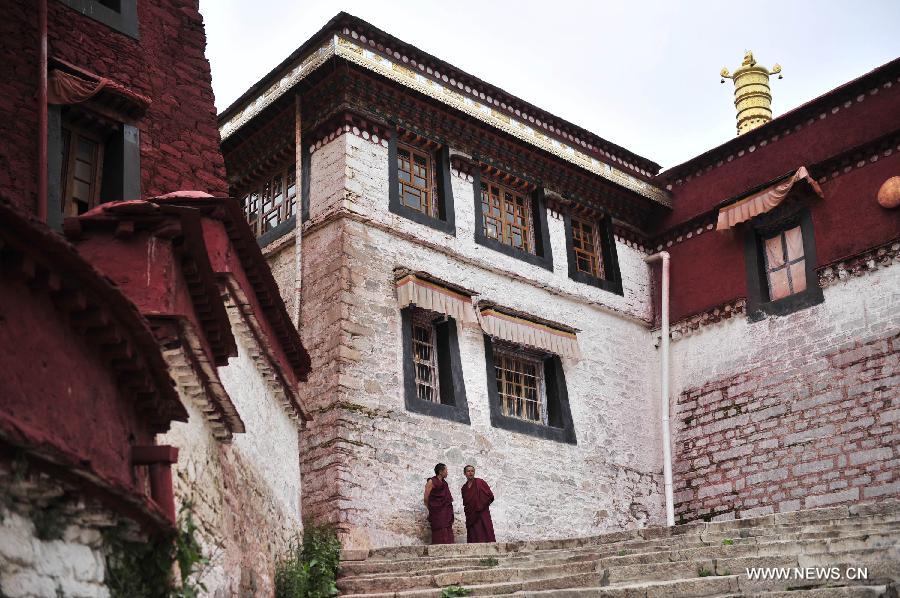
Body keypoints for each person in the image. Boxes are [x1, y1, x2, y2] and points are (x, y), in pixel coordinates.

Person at [461, 465, 495, 543]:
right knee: (474, 534)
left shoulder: (480, 482)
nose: (470, 473)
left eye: (472, 471)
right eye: (468, 471)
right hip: (471, 515)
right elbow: (466, 502)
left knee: (485, 531)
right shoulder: (464, 488)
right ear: (464, 473)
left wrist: (481, 505)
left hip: (482, 513)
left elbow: (490, 495)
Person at [423, 463, 454, 544]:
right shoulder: (431, 481)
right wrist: (431, 509)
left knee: (447, 528)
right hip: (436, 510)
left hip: (446, 510)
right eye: (446, 471)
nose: (447, 473)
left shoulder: (445, 483)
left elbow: (447, 498)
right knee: (439, 529)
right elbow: (426, 498)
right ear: (440, 471)